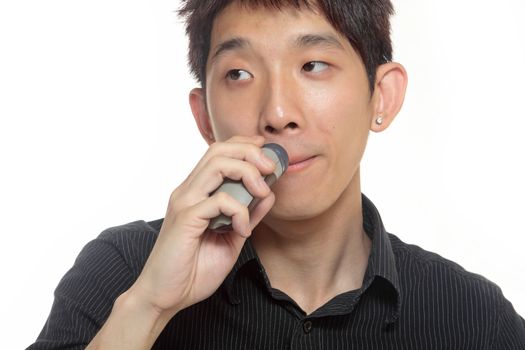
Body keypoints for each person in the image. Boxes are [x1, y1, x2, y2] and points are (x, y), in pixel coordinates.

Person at [28, 0, 525, 349]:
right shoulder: (124, 273)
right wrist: (149, 307)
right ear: (204, 118)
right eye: (239, 74)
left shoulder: (473, 319)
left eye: (313, 64)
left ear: (383, 96)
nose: (278, 112)